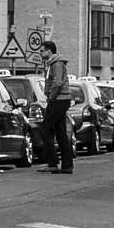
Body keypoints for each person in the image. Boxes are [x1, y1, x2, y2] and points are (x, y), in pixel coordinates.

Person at [39, 41, 75, 174]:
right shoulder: (52, 64)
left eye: (42, 51)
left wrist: (51, 96)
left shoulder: (57, 64)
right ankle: (67, 165)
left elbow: (57, 82)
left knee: (45, 129)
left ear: (49, 51)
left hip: (59, 100)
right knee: (60, 132)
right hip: (61, 100)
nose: (41, 53)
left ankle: (52, 162)